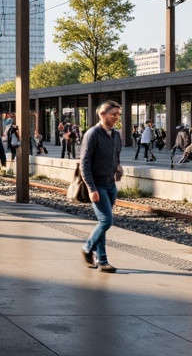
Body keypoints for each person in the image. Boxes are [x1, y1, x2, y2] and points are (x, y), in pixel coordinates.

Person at [79, 100, 124, 273]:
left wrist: (118, 167)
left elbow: (116, 155)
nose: (117, 118)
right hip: (98, 185)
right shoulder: (92, 134)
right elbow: (84, 162)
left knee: (102, 223)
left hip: (110, 184)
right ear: (102, 115)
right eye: (114, 114)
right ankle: (87, 248)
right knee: (106, 221)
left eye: (119, 115)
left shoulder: (116, 135)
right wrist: (91, 188)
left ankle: (102, 260)